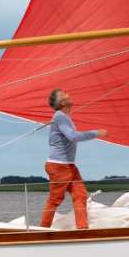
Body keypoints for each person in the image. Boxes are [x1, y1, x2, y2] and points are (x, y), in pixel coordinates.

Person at [40, 89, 107, 230]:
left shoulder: (63, 116)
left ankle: (82, 229)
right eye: (65, 95)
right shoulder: (59, 116)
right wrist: (96, 133)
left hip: (68, 166)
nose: (69, 94)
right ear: (63, 102)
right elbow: (73, 136)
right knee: (55, 199)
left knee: (80, 195)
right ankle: (42, 230)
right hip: (59, 166)